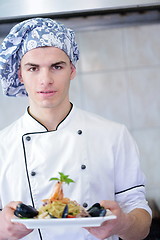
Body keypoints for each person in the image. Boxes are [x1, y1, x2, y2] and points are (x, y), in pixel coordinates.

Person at [0, 17, 151, 240]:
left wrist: (124, 224)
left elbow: (139, 219)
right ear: (20, 74)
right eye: (33, 68)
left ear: (72, 69)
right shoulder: (2, 145)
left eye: (56, 66)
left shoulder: (113, 135)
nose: (45, 80)